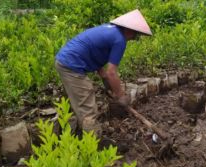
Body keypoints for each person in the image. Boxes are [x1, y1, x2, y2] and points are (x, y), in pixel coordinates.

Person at [55, 9, 152, 137]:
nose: (134, 38)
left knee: (76, 102)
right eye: (135, 35)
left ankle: (75, 133)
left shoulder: (109, 29)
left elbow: (99, 61)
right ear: (129, 30)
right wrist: (121, 95)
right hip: (71, 65)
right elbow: (112, 72)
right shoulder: (119, 40)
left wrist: (107, 84)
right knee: (87, 107)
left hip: (65, 59)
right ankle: (93, 143)